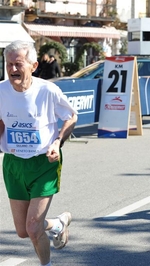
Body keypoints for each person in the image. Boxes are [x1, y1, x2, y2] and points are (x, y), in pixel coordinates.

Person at [0, 40, 78, 265]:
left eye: (18, 64)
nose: (13, 69)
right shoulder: (1, 91)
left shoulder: (48, 91)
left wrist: (57, 142)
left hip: (44, 163)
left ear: (33, 66)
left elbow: (71, 117)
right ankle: (58, 224)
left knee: (33, 228)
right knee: (24, 231)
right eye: (9, 64)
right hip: (14, 163)